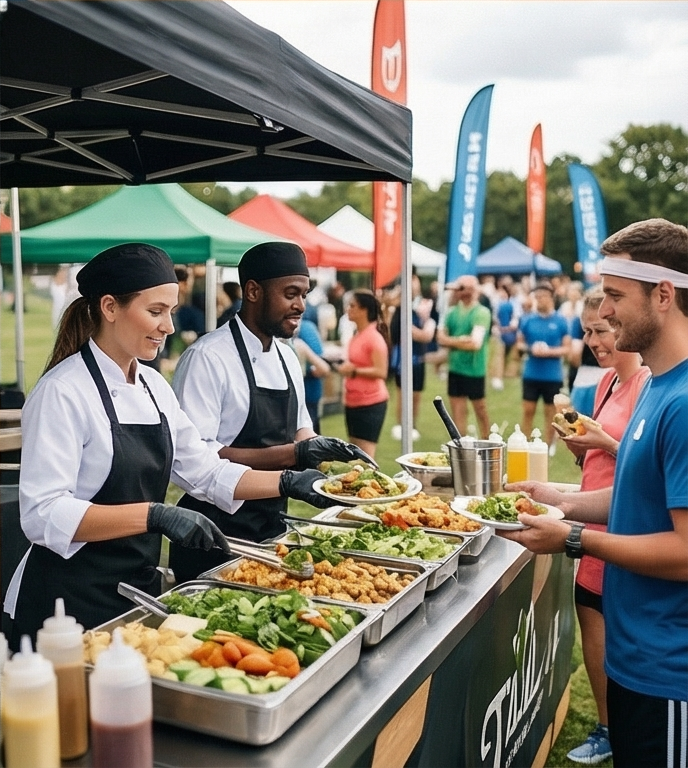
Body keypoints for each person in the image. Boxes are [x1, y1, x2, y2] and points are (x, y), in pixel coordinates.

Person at [3, 243, 327, 649]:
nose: (169, 327)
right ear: (109, 307)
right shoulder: (62, 391)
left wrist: (288, 482)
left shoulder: (154, 386)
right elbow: (43, 514)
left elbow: (206, 471)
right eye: (155, 311)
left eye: (171, 311)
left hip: (132, 589)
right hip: (65, 603)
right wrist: (153, 515)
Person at [501, 219, 688, 768]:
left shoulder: (682, 401)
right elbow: (638, 498)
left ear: (663, 295)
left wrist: (573, 537)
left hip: (669, 671)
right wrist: (557, 500)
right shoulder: (656, 383)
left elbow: (685, 553)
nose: (602, 311)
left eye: (615, 296)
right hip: (633, 660)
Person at [171, 242, 373, 582]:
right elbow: (197, 459)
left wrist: (330, 465)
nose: (301, 306)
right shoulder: (208, 358)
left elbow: (300, 428)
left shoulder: (287, 356)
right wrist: (295, 458)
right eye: (290, 294)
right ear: (253, 291)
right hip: (213, 535)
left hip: (273, 529)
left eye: (304, 295)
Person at [555, 288, 650, 765]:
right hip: (592, 519)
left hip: (626, 530)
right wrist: (581, 446)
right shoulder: (607, 382)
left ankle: (629, 726)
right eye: (587, 332)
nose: (593, 341)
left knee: (624, 639)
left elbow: (645, 466)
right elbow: (599, 458)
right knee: (591, 625)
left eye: (601, 330)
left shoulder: (650, 384)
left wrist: (604, 440)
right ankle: (607, 726)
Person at [516, 280, 571, 452]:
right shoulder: (528, 319)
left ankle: (549, 444)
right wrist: (530, 348)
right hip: (531, 373)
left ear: (551, 298)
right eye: (537, 296)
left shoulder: (561, 321)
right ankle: (524, 442)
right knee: (528, 410)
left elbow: (567, 348)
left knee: (551, 412)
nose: (539, 300)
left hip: (552, 375)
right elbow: (519, 344)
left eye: (543, 296)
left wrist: (549, 351)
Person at [335, 290, 390, 461]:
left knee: (366, 456)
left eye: (352, 306)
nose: (348, 309)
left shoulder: (374, 337)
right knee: (355, 454)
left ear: (364, 310)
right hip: (354, 401)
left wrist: (354, 371)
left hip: (370, 403)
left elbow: (381, 371)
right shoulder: (358, 334)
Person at [436, 275, 492, 439]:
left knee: (480, 408)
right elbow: (440, 338)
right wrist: (461, 340)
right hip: (456, 367)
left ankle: (487, 440)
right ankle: (461, 443)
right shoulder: (452, 312)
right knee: (457, 410)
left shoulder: (481, 312)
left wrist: (451, 341)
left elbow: (475, 343)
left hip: (474, 369)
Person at [389, 272, 436, 441]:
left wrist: (417, 332)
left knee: (416, 394)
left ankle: (412, 425)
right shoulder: (399, 308)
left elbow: (427, 334)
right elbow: (398, 331)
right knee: (402, 393)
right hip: (402, 359)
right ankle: (400, 425)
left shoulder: (423, 305)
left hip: (418, 357)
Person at [293, 304, 330, 434]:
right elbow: (323, 366)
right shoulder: (308, 329)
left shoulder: (305, 332)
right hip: (308, 394)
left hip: (307, 394)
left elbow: (322, 368)